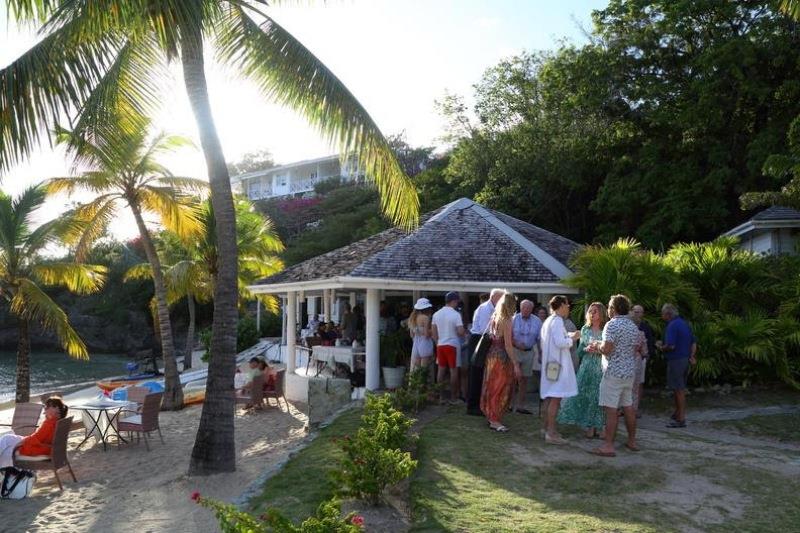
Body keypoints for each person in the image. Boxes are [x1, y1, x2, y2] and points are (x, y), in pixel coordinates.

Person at [589, 294, 640, 457]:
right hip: (629, 372)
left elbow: (608, 349)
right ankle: (632, 441)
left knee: (611, 410)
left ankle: (608, 446)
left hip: (613, 373)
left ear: (614, 308)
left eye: (610, 307)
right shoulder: (633, 326)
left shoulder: (612, 325)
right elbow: (633, 349)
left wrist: (596, 346)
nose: (609, 309)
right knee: (628, 407)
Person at [557, 302, 608, 438]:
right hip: (586, 367)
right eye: (590, 311)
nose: (592, 313)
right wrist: (586, 349)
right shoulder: (585, 329)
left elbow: (610, 350)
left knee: (600, 397)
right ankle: (590, 426)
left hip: (601, 367)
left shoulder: (606, 330)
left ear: (601, 313)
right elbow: (579, 351)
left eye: (595, 311)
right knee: (587, 396)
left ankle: (602, 427)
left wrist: (598, 350)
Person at [539, 295, 580, 445]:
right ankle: (551, 433)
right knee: (555, 398)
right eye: (567, 305)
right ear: (561, 305)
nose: (568, 308)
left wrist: (569, 335)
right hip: (557, 365)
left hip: (551, 364)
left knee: (550, 397)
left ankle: (547, 429)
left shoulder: (550, 320)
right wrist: (573, 339)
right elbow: (560, 342)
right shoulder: (556, 321)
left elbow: (557, 337)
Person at [480, 291, 522, 432]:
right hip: (502, 358)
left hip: (491, 355)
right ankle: (495, 420)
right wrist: (516, 364)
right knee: (500, 388)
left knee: (491, 386)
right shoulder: (507, 320)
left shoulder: (494, 317)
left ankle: (491, 416)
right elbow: (508, 346)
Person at [0, 397, 69, 468]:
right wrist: (48, 416)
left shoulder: (50, 423)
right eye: (45, 406)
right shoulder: (58, 422)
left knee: (6, 442)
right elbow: (41, 437)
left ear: (56, 408)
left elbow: (37, 438)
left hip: (38, 448)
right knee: (7, 438)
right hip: (45, 447)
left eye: (48, 406)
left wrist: (23, 441)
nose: (45, 408)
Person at [657, 303, 695, 428]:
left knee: (678, 389)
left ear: (668, 314)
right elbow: (694, 343)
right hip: (685, 359)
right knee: (680, 388)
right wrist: (691, 356)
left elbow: (671, 345)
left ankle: (681, 419)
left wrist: (661, 347)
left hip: (676, 360)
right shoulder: (685, 324)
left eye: (663, 314)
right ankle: (678, 413)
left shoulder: (672, 325)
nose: (662, 316)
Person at [466, 289, 504, 415]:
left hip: (484, 340)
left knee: (482, 373)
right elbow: (484, 330)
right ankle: (472, 406)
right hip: (479, 340)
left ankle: (479, 404)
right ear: (494, 297)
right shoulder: (484, 309)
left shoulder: (492, 308)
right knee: (476, 373)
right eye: (501, 298)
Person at [432, 291, 466, 402]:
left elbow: (434, 332)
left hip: (440, 345)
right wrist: (463, 331)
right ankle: (453, 397)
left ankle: (441, 396)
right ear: (454, 301)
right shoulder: (456, 314)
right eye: (457, 301)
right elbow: (461, 332)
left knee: (441, 371)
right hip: (453, 345)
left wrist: (438, 342)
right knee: (453, 371)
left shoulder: (436, 314)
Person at [510, 299, 542, 414]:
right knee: (513, 379)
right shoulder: (513, 319)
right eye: (523, 308)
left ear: (532, 309)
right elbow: (508, 336)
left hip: (529, 352)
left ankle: (520, 406)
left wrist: (540, 354)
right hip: (515, 351)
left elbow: (539, 339)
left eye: (528, 308)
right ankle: (509, 404)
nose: (526, 310)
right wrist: (516, 343)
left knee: (524, 380)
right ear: (520, 308)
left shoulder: (537, 321)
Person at [631, 305, 655, 416]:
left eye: (638, 312)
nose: (636, 314)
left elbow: (649, 344)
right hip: (631, 359)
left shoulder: (645, 328)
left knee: (638, 383)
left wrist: (646, 355)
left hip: (639, 359)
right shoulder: (631, 329)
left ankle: (635, 408)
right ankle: (627, 409)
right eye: (634, 311)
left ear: (642, 313)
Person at [408, 298, 435, 371]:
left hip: (416, 344)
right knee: (424, 369)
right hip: (425, 343)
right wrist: (432, 331)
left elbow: (411, 335)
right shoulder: (425, 318)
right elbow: (426, 334)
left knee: (416, 369)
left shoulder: (412, 318)